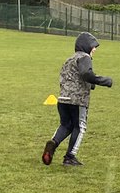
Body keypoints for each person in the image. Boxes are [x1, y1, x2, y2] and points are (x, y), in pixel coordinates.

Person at [42, 32, 113, 168]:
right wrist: (103, 81)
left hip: (62, 98)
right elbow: (86, 74)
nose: (95, 50)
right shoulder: (85, 57)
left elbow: (74, 76)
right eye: (93, 47)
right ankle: (70, 157)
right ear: (86, 46)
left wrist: (90, 84)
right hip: (78, 100)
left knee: (65, 125)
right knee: (79, 127)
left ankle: (53, 143)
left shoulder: (70, 59)